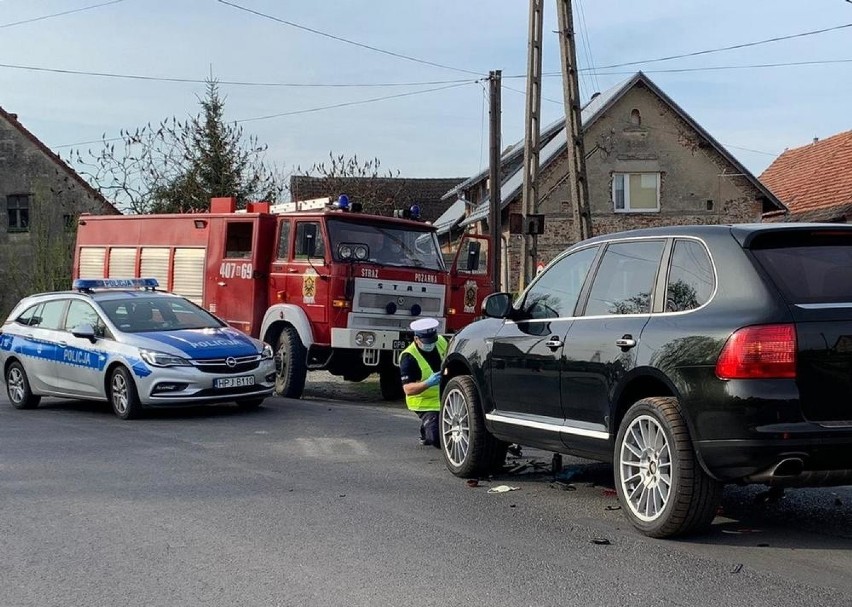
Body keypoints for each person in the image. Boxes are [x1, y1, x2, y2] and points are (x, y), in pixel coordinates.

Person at [399, 318, 448, 448]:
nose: (431, 344)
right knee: (437, 438)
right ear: (416, 339)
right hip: (426, 403)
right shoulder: (408, 357)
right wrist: (428, 383)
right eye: (426, 342)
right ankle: (426, 428)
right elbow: (408, 389)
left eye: (433, 340)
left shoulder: (441, 341)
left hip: (446, 397)